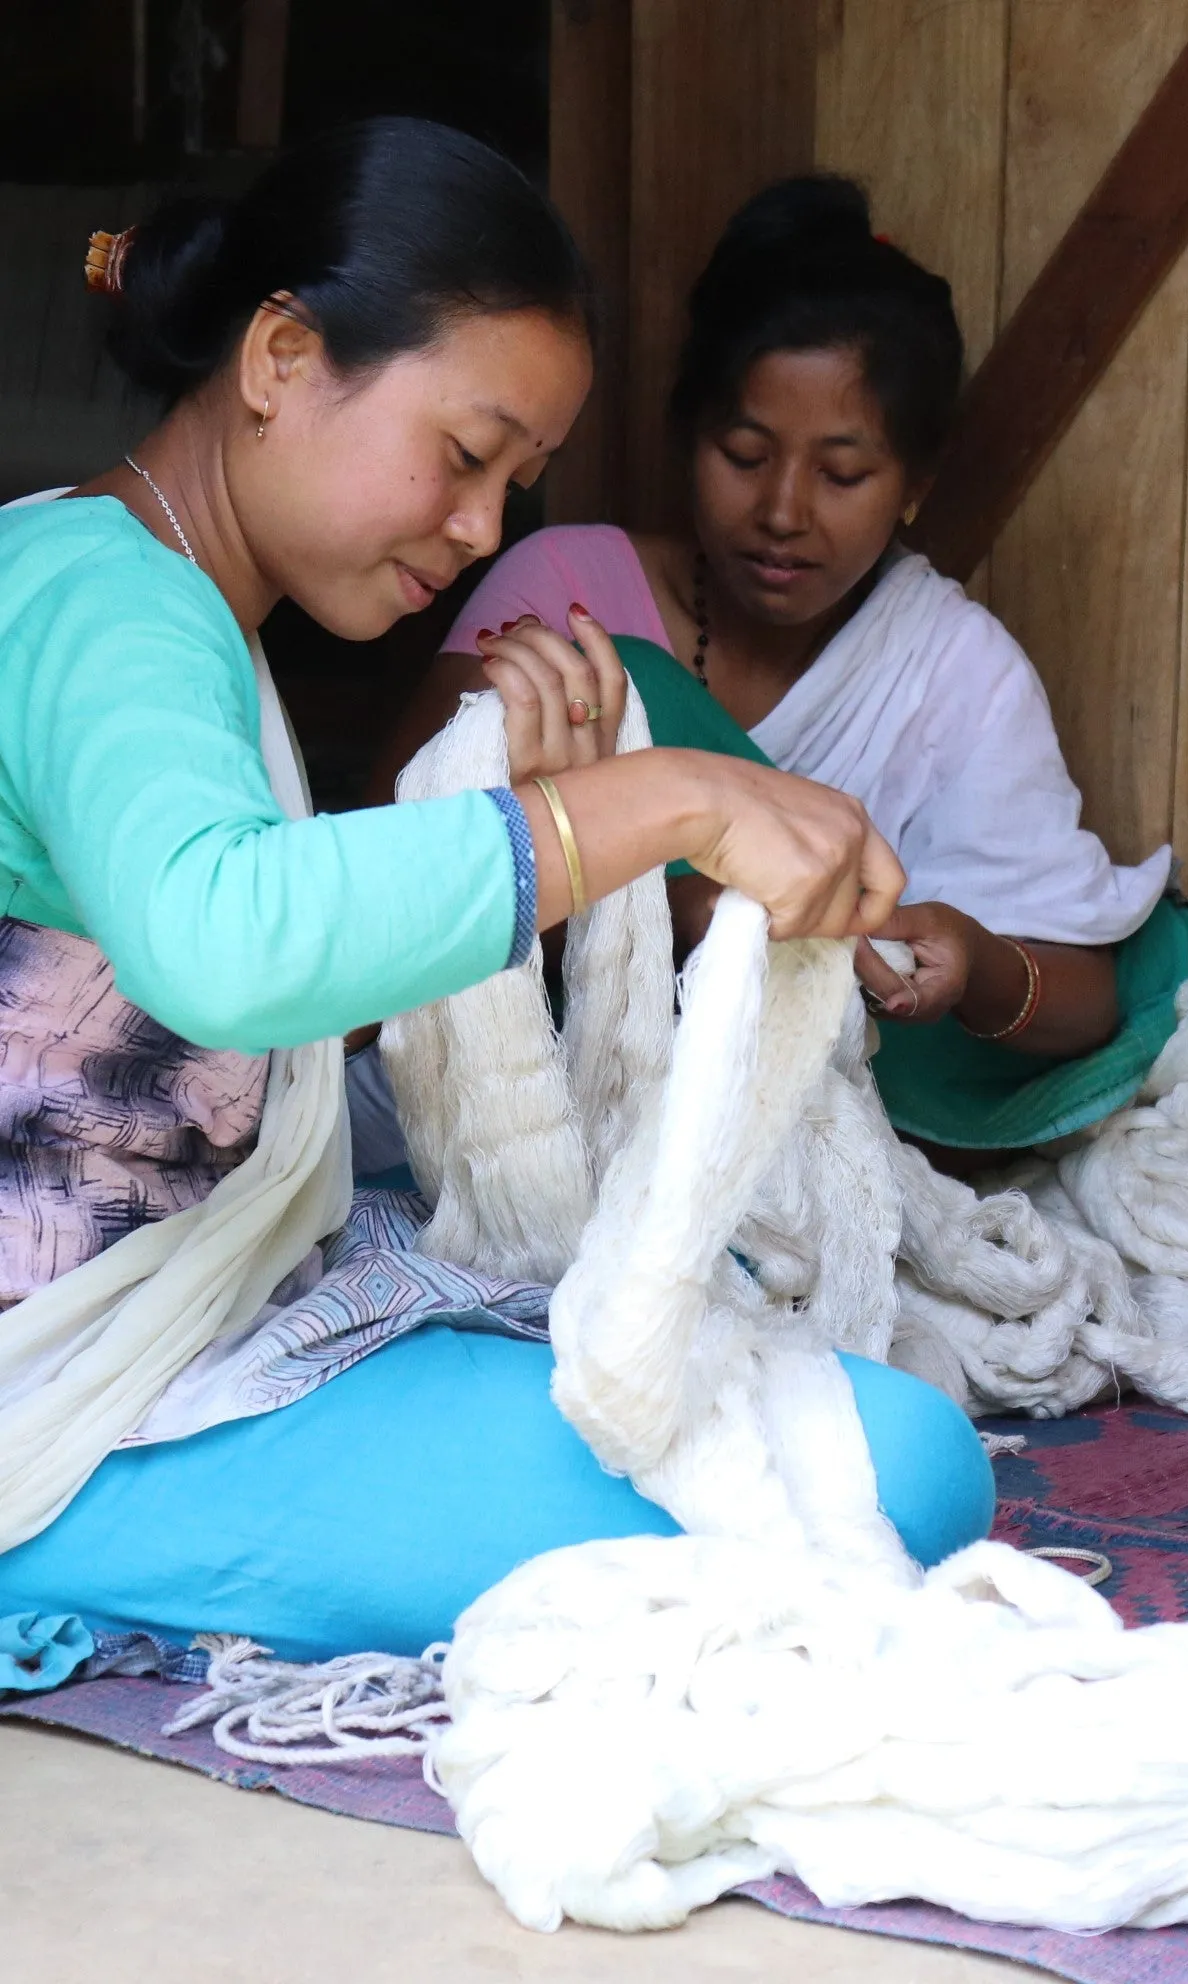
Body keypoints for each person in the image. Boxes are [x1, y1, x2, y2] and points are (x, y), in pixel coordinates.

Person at [0, 120, 991, 1679]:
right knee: (888, 1477)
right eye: (465, 456)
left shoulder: (139, 591)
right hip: (59, 1418)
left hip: (133, 1342)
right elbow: (226, 936)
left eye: (514, 482)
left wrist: (556, 826)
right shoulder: (105, 606)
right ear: (280, 357)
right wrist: (663, 801)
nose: (481, 531)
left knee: (718, 1340)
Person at [387, 175, 1188, 1162]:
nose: (784, 512)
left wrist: (974, 962)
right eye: (744, 454)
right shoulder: (566, 591)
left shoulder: (954, 671)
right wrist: (671, 910)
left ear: (917, 484)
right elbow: (389, 871)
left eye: (843, 475)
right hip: (562, 1111)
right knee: (619, 679)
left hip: (815, 1138)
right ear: (685, 437)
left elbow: (1085, 1006)